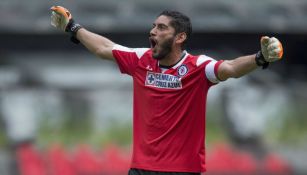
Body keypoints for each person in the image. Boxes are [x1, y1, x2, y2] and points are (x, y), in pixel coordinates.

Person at [50, 6, 283, 175]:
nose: (153, 32)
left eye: (161, 28)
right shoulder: (141, 59)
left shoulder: (198, 67)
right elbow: (104, 48)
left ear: (179, 37)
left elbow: (230, 67)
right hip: (141, 168)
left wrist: (261, 57)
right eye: (153, 27)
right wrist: (73, 26)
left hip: (182, 171)